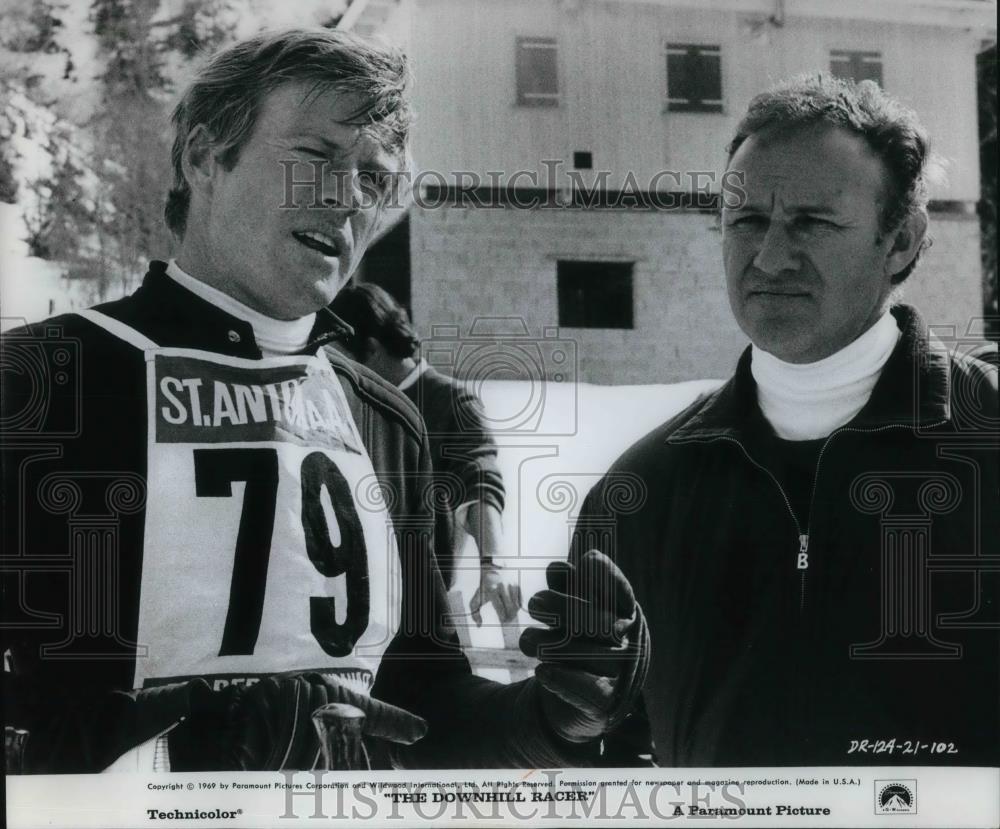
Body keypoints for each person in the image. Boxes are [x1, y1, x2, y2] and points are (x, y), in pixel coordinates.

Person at [0, 28, 648, 773]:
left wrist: (556, 715)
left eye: (374, 182)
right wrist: (181, 741)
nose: (344, 199)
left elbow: (424, 708)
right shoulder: (42, 380)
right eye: (314, 159)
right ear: (205, 157)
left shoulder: (385, 416)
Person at [572, 75, 998, 766]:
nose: (769, 257)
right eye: (746, 221)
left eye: (812, 221)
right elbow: (609, 763)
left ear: (901, 241)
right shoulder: (638, 494)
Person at [329, 282, 521, 626]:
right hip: (348, 606)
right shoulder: (344, 404)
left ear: (370, 350)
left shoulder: (448, 401)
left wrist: (492, 565)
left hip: (419, 613)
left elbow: (480, 482)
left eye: (338, 357)